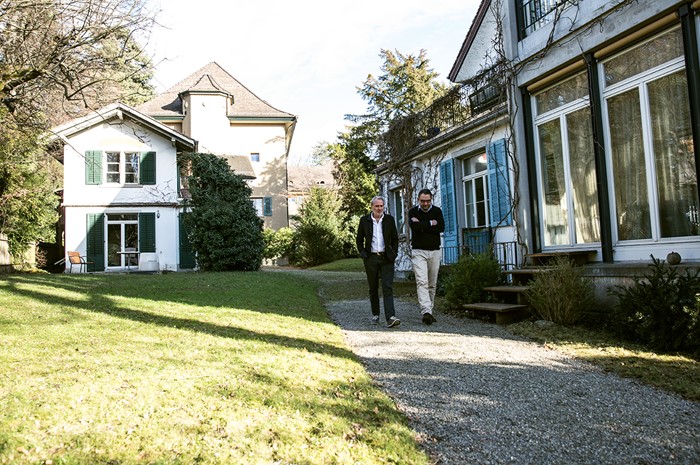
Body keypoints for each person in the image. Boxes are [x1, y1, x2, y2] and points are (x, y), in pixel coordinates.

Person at [356, 196, 400, 328]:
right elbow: (359, 239)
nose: (379, 208)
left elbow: (395, 239)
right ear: (372, 207)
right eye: (377, 206)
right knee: (373, 287)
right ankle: (375, 314)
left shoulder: (389, 220)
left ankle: (390, 317)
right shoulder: (364, 220)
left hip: (386, 258)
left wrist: (393, 254)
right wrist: (363, 254)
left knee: (387, 287)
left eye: (381, 206)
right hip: (371, 258)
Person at [409, 188, 445, 325]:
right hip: (419, 251)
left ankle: (430, 310)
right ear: (418, 200)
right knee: (422, 281)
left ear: (431, 200)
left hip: (434, 251)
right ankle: (426, 311)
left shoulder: (437, 211)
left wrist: (422, 225)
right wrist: (431, 223)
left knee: (432, 283)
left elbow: (441, 227)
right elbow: (415, 227)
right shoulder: (413, 211)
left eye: (428, 201)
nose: (425, 204)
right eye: (423, 201)